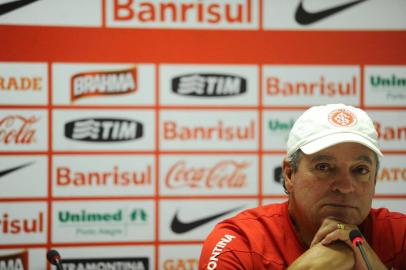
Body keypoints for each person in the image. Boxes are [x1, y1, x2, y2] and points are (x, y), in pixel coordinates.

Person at [199, 104, 406, 270]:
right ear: (289, 175)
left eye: (360, 170)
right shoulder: (242, 242)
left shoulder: (400, 235)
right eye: (324, 167)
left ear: (375, 180)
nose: (344, 186)